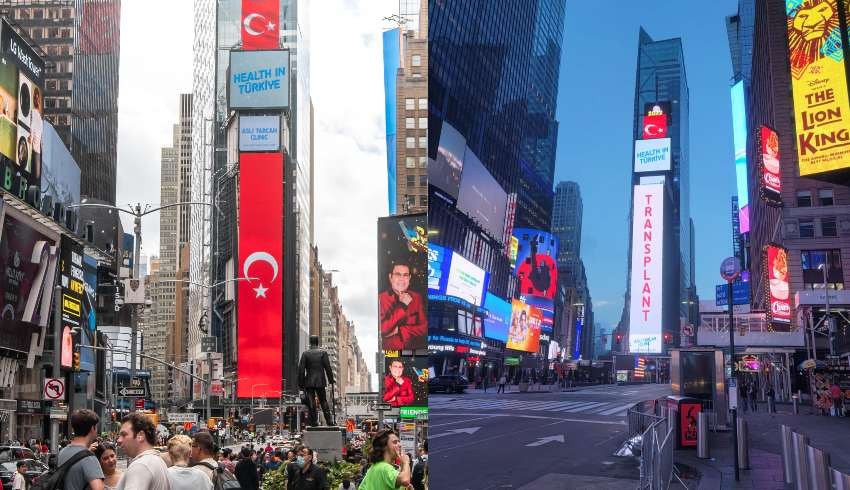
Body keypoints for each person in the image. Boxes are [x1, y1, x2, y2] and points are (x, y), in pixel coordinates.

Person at [379, 262, 426, 350]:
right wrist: (402, 306)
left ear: (409, 278)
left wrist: (400, 330)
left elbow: (424, 328)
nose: (401, 279)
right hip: (390, 352)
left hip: (414, 352)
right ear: (390, 277)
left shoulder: (417, 297)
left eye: (405, 275)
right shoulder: (381, 299)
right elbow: (382, 330)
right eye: (398, 274)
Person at [115, 413, 170, 490]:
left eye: (124, 435)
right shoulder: (158, 461)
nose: (119, 440)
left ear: (140, 435)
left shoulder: (140, 465)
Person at [58, 409, 104, 490]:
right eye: (96, 428)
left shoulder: (62, 452)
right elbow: (98, 488)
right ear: (92, 428)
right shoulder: (89, 458)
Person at [298, 335, 336, 427]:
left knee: (311, 402)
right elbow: (328, 368)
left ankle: (314, 422)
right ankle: (329, 421)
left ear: (310, 342)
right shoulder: (323, 353)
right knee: (323, 401)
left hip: (309, 382)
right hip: (320, 381)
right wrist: (331, 380)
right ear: (317, 342)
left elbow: (301, 370)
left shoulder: (305, 354)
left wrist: (301, 384)